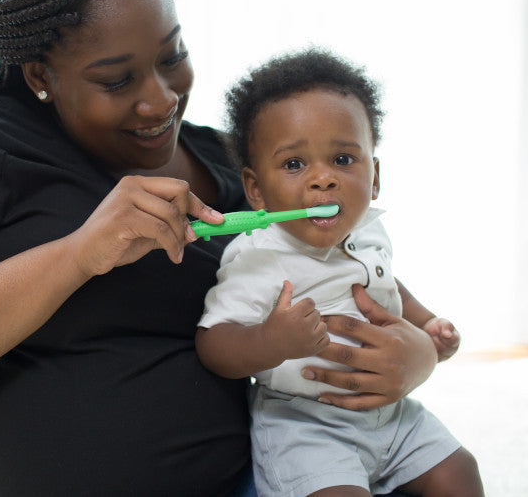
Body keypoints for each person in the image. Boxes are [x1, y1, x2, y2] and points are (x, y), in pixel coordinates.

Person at [0, 0, 440, 495]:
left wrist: (415, 358)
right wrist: (77, 255)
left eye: (173, 56)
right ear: (38, 75)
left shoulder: (232, 168)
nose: (161, 99)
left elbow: (346, 279)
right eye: (116, 80)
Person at [195, 48, 484, 497]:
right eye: (294, 164)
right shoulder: (258, 256)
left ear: (374, 177)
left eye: (344, 160)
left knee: (460, 471)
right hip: (304, 425)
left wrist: (427, 324)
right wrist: (270, 341)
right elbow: (213, 342)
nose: (322, 180)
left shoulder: (369, 230)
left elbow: (384, 282)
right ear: (255, 190)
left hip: (392, 414)